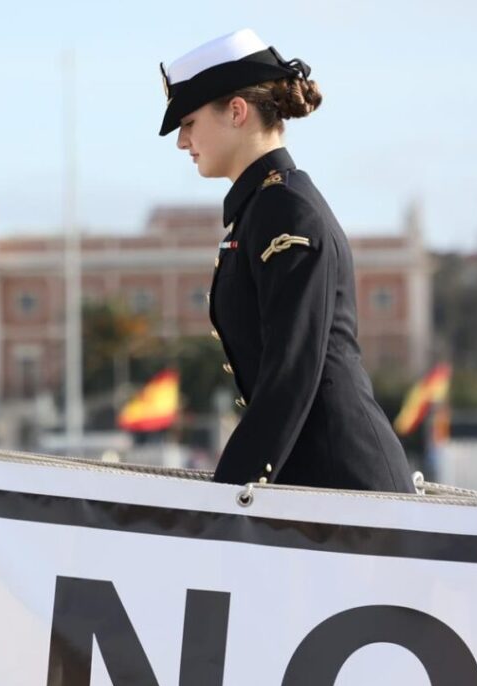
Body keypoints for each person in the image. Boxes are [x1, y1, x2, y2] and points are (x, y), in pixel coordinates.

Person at [159, 29, 414, 493]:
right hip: (312, 489)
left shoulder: (284, 210)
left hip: (346, 488)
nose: (182, 141)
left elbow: (290, 372)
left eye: (189, 122)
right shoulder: (262, 208)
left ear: (236, 112)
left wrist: (227, 495)